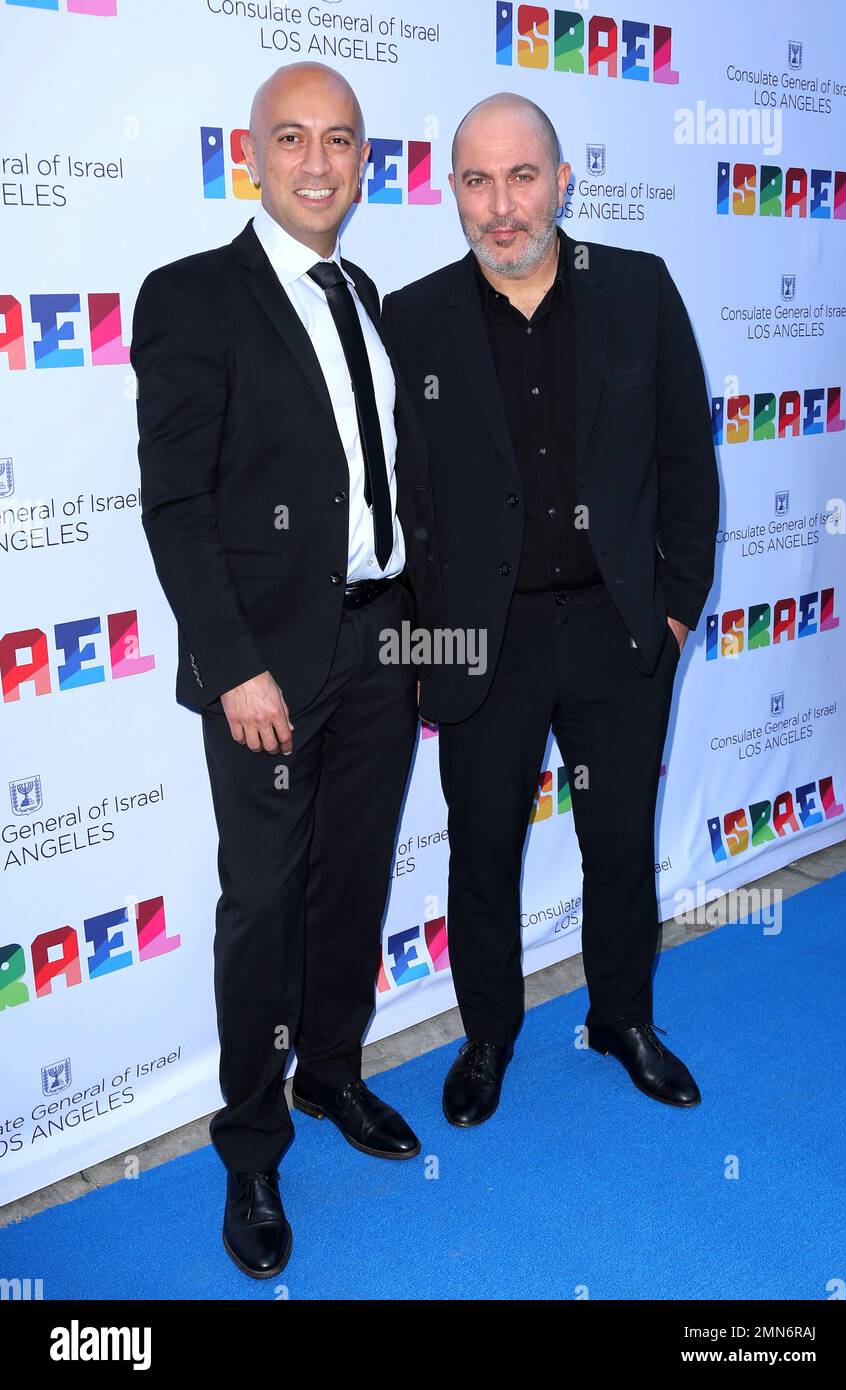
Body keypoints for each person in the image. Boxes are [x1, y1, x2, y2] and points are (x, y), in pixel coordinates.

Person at [130, 61, 439, 1280]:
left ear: (365, 162)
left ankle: (333, 1075)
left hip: (380, 645)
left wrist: (412, 643)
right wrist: (232, 669)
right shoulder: (193, 296)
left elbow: (386, 491)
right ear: (252, 154)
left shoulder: (364, 291)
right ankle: (251, 1146)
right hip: (265, 666)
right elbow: (173, 508)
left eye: (343, 142)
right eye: (295, 139)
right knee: (262, 907)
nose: (321, 164)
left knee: (351, 881)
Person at [381, 92, 719, 1129]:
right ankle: (488, 1035)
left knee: (617, 838)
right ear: (452, 192)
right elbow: (402, 504)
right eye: (476, 181)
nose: (500, 205)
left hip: (618, 626)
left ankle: (621, 1017)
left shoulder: (636, 289)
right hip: (483, 640)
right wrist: (424, 648)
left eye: (520, 176)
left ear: (561, 181)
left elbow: (683, 463)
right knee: (482, 846)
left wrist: (671, 612)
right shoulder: (412, 316)